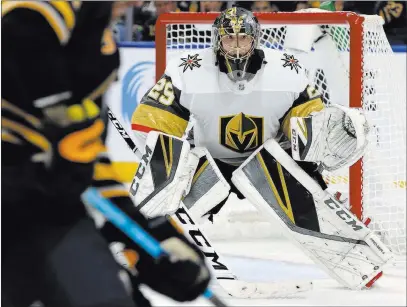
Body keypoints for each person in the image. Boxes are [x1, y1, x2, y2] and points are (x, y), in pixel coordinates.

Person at [1, 1, 210, 306]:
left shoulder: (95, 40)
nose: (139, 4)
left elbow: (87, 163)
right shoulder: (39, 19)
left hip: (42, 214)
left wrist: (153, 236)